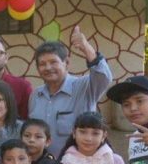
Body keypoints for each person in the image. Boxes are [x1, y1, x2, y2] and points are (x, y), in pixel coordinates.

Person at [28, 26, 112, 157]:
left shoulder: (84, 87)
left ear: (66, 63)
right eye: (42, 64)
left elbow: (104, 76)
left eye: (53, 62)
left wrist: (85, 47)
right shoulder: (35, 95)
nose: (48, 67)